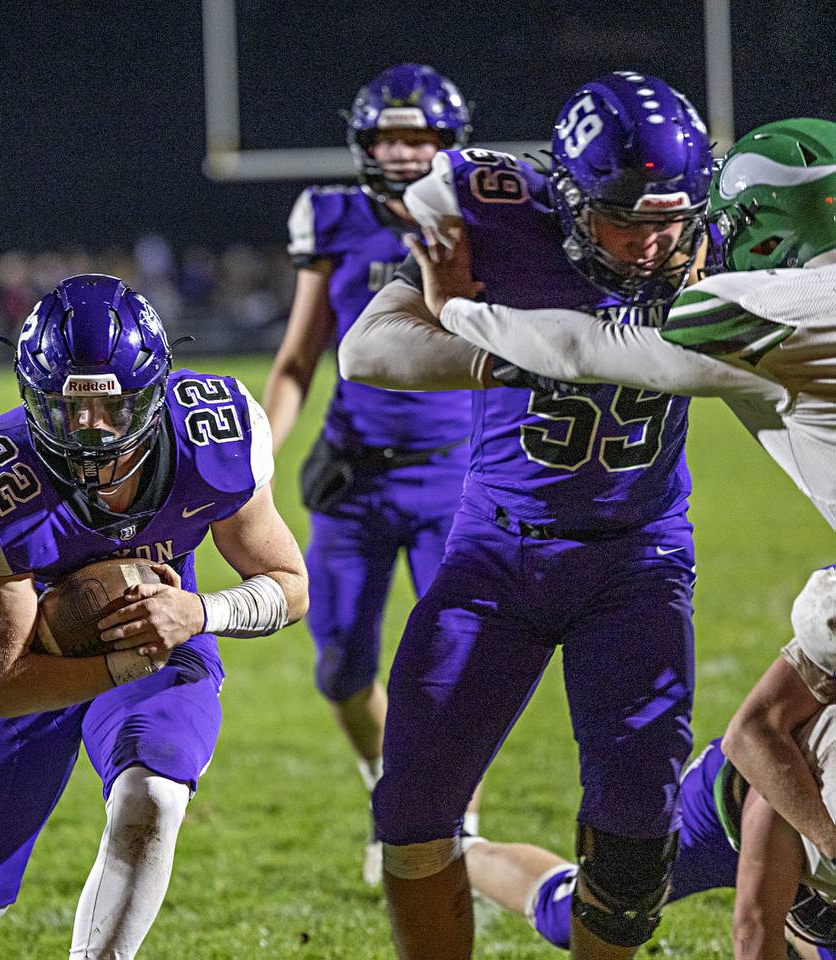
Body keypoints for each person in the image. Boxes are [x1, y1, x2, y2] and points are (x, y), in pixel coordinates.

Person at [405, 116, 836, 959]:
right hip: (755, 789)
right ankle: (466, 853)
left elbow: (588, 346)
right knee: (590, 906)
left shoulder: (775, 303)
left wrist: (460, 308)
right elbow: (762, 766)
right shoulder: (783, 306)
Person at [337, 72, 713, 959]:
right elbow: (367, 347)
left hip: (638, 557)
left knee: (631, 844)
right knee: (414, 809)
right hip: (497, 551)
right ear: (572, 199)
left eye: (670, 218)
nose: (651, 243)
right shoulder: (504, 215)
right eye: (626, 217)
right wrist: (510, 351)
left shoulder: (721, 243)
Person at [0, 274, 308, 959]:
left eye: (115, 409)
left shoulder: (216, 432)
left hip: (162, 628)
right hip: (39, 661)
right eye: (69, 411)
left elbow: (289, 584)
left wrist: (199, 612)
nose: (93, 433)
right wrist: (122, 657)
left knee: (153, 798)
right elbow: (1, 684)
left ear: (152, 395)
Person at [261, 64, 474, 882]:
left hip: (457, 474)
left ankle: (453, 823)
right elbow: (295, 360)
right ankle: (385, 780)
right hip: (356, 481)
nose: (403, 150)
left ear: (447, 143)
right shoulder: (334, 218)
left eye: (418, 135)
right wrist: (259, 458)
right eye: (388, 135)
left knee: (457, 666)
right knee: (341, 663)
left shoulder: (482, 216)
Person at [464, 731, 836, 960]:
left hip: (810, 845)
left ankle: (797, 932)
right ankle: (459, 849)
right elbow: (755, 734)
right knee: (587, 916)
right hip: (742, 805)